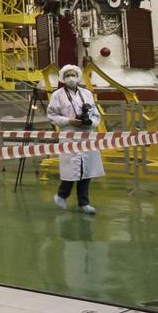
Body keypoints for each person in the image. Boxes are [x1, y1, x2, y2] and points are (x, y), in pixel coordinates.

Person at [46, 63, 103, 214]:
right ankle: (61, 195)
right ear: (63, 78)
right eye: (67, 75)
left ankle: (83, 203)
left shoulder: (87, 93)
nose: (70, 78)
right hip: (70, 135)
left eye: (73, 75)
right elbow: (51, 115)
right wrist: (68, 121)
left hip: (86, 135)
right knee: (71, 169)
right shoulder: (58, 95)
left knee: (86, 170)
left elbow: (96, 113)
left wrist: (91, 122)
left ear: (78, 76)